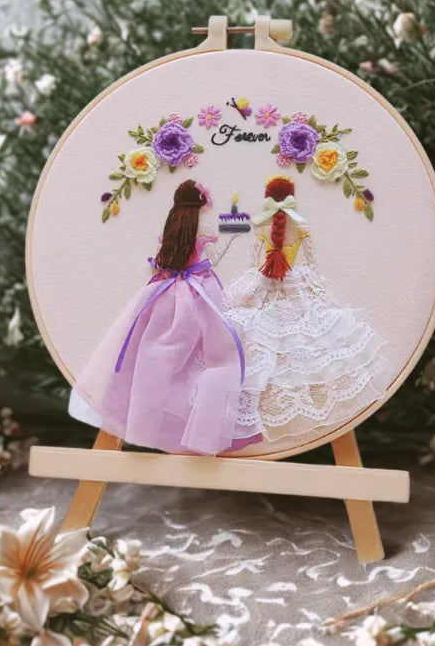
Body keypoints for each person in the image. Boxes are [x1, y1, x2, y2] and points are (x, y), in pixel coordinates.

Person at [71, 179, 257, 455]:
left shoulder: (174, 230)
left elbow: (163, 257)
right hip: (199, 292)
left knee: (153, 352)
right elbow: (215, 254)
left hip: (166, 291)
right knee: (216, 353)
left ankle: (145, 415)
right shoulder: (203, 232)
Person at [226, 175, 388, 442]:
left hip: (265, 285)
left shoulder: (262, 228)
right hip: (295, 287)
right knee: (304, 339)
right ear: (291, 196)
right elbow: (311, 262)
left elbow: (252, 263)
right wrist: (311, 282)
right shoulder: (300, 228)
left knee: (263, 341)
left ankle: (265, 402)